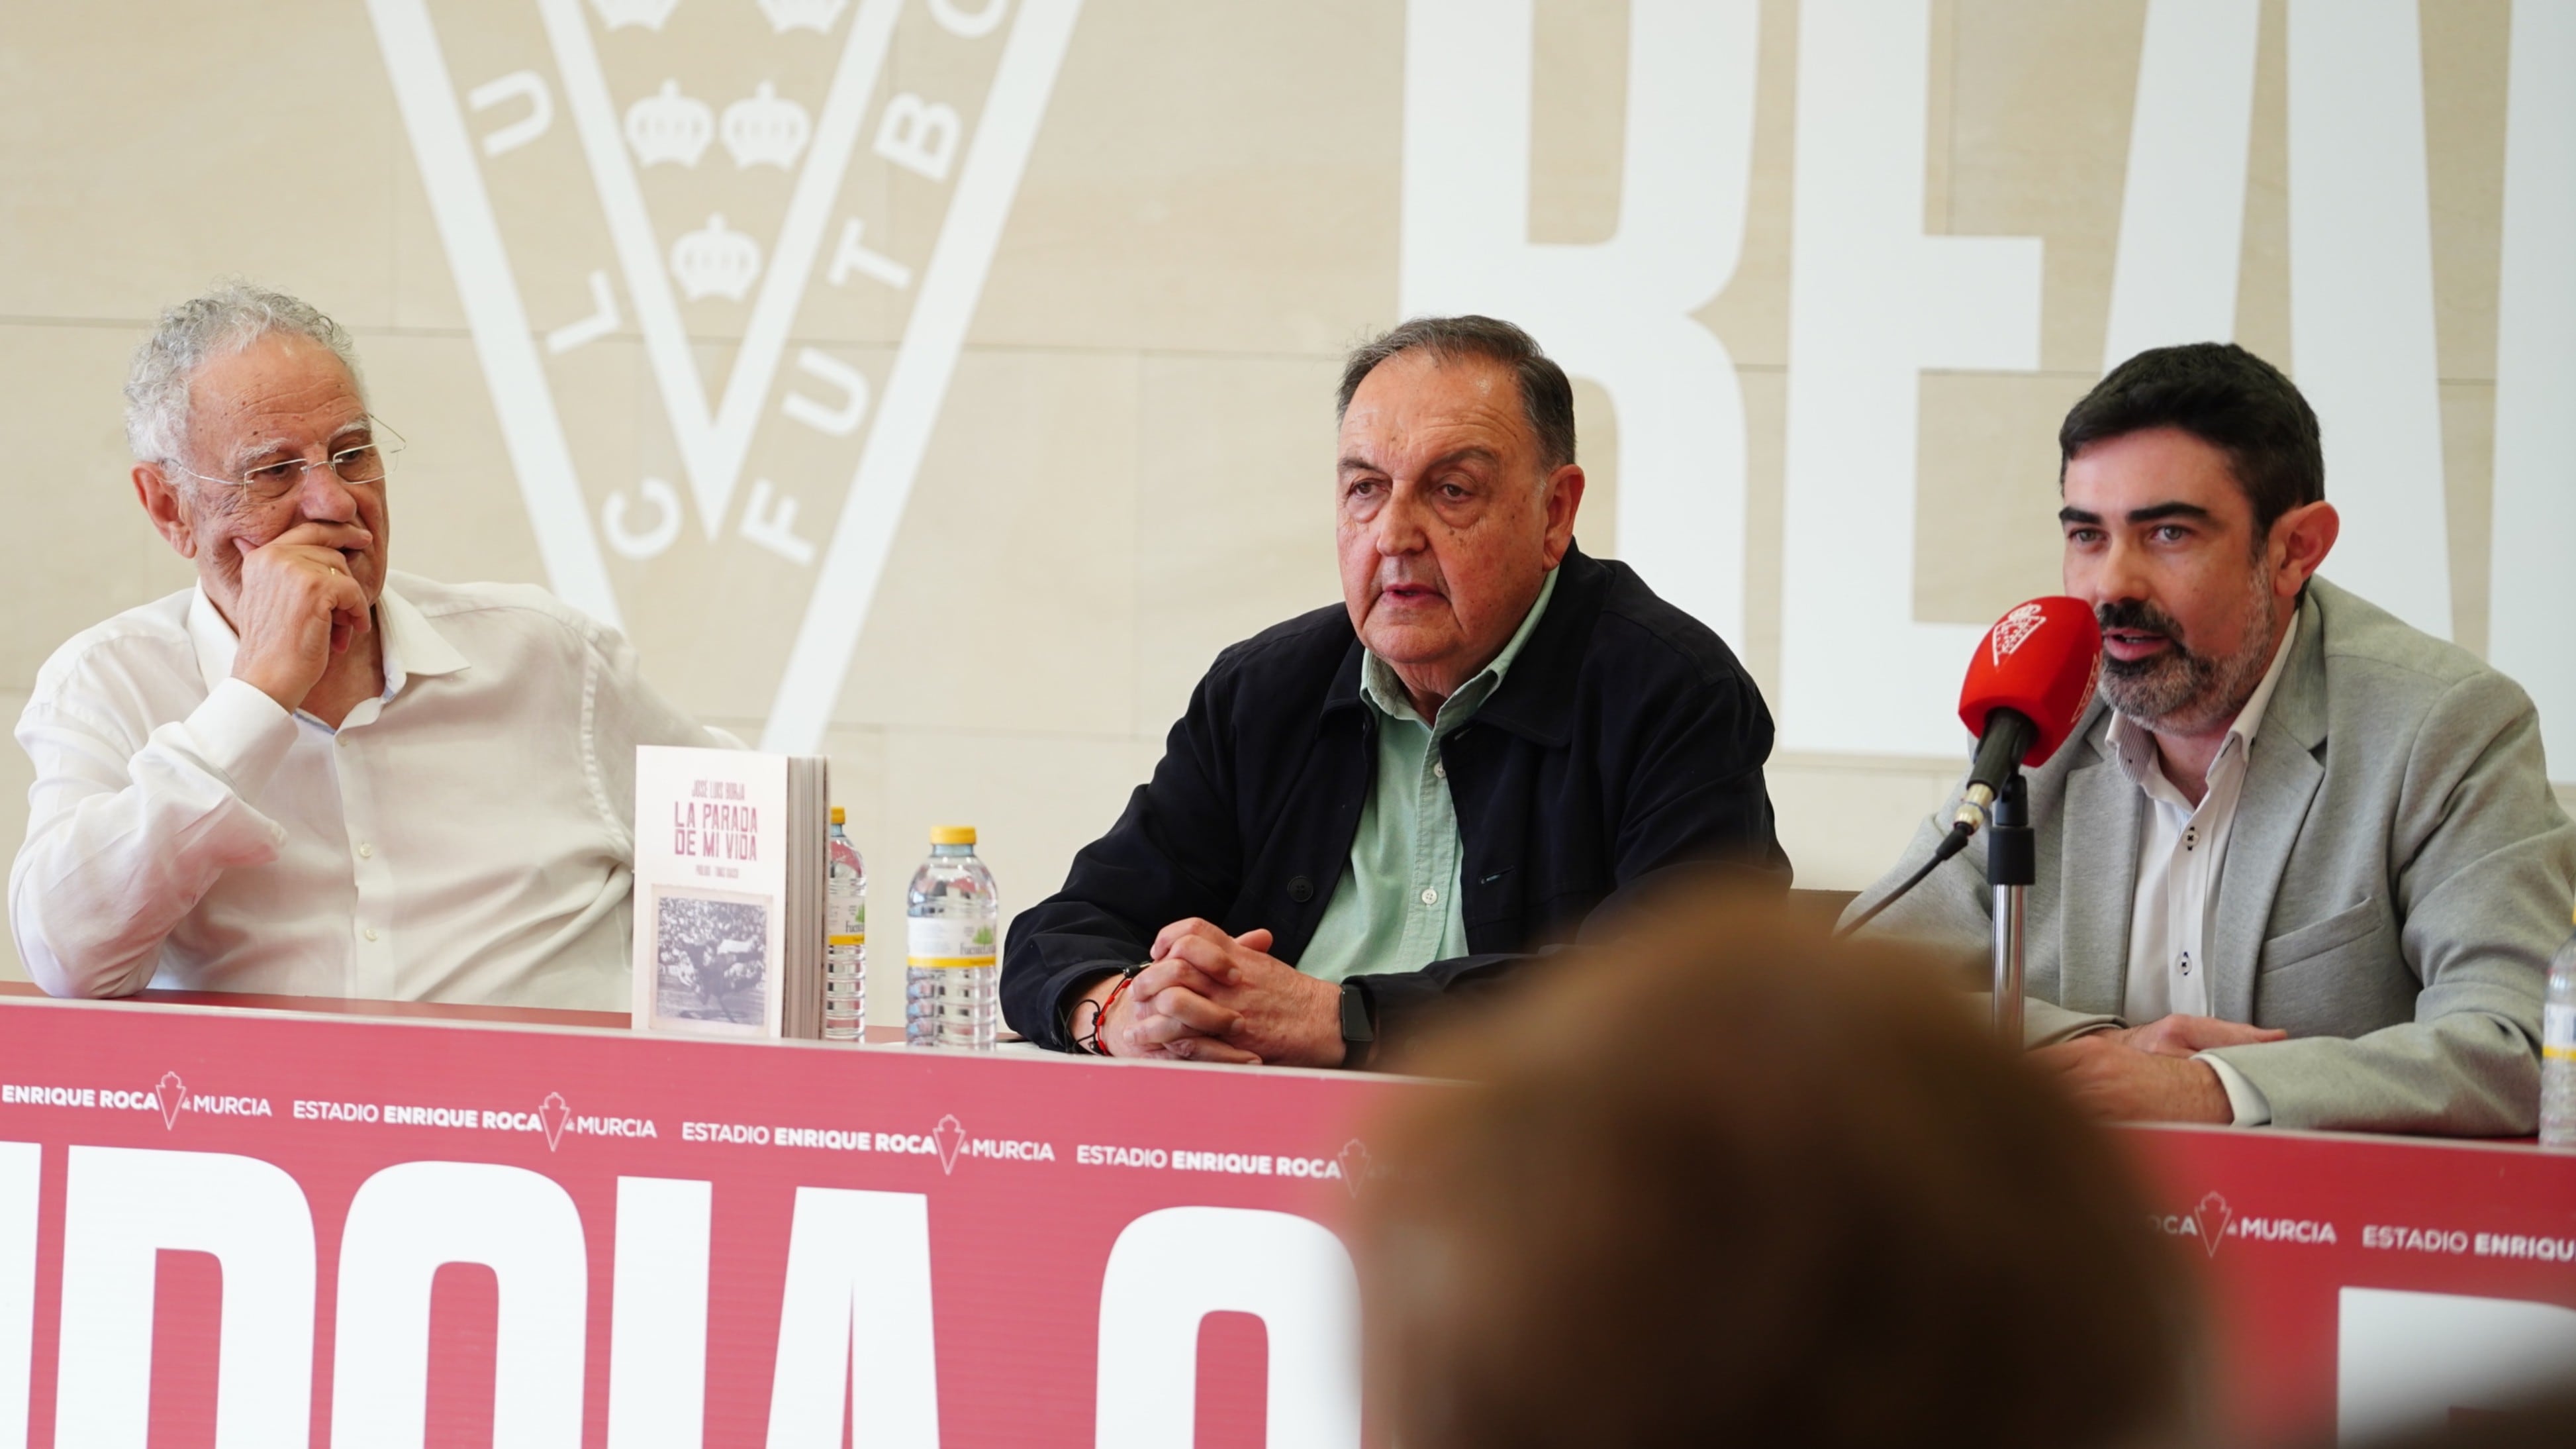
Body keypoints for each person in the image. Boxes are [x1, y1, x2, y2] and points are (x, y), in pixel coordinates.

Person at [1002, 315, 1789, 1066]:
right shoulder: (1263, 692)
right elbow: (1065, 930)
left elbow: (1677, 1001)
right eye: (1366, 489)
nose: (1393, 535)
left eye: (1451, 491)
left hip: (1533, 1178)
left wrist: (1340, 1017)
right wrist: (1118, 1010)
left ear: (1556, 513)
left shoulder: (1674, 694)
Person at [1847, 342, 2576, 1135]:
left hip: (2329, 1235)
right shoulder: (2045, 714)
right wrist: (2104, 1051)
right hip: (2077, 1232)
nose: (2112, 586)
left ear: (2296, 549)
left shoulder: (2444, 727)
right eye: (2087, 535)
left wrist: (2214, 1088)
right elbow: (1855, 994)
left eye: (2167, 535)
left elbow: (2528, 1050)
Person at [9, 283, 730, 1008]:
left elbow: (757, 847)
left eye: (352, 454)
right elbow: (70, 960)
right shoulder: (108, 681)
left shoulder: (548, 659)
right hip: (257, 1118)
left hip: (542, 1115)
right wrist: (254, 697)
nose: (336, 501)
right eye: (275, 471)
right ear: (169, 507)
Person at [1353, 894, 2200, 1449]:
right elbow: (1888, 950)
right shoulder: (2031, 745)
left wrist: (2218, 1083)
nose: (2109, 606)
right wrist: (2101, 1040)